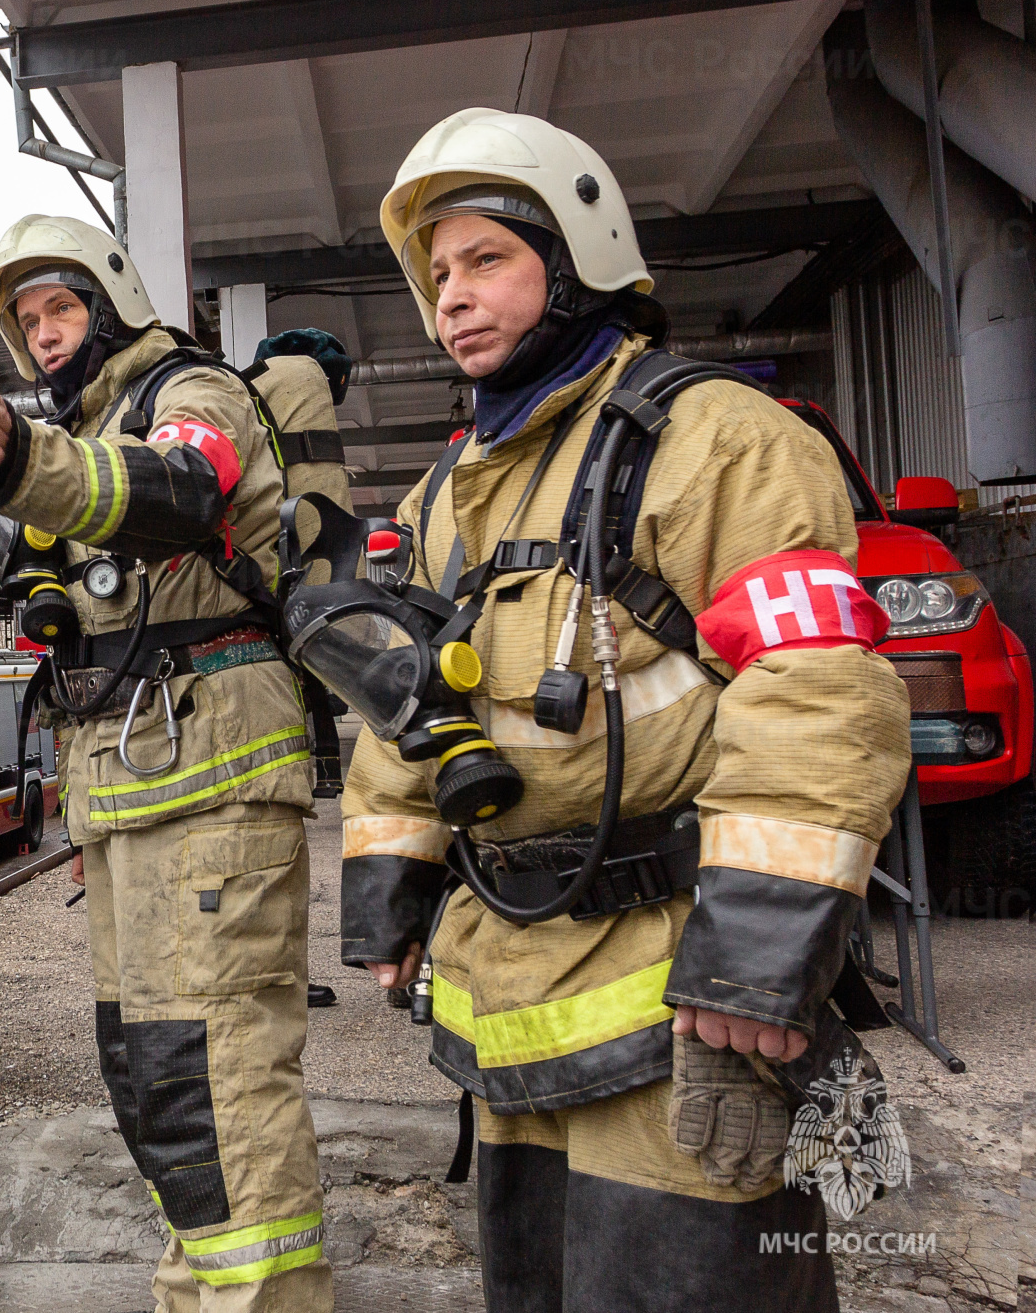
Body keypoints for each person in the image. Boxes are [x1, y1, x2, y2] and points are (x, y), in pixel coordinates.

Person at [338, 108, 912, 1310]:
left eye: (485, 257)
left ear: (577, 252)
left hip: (682, 1006)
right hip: (512, 1001)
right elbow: (410, 702)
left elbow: (814, 695)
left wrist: (755, 968)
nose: (450, 294)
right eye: (436, 271)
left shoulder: (713, 441)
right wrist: (387, 894)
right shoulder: (448, 491)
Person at [0, 216, 330, 1313]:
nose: (43, 337)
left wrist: (28, 464)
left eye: (60, 309)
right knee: (156, 1077)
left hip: (212, 772)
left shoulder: (190, 389)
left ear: (111, 300)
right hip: (136, 786)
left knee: (220, 1080)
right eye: (27, 323)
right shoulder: (92, 424)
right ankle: (200, 1291)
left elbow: (181, 486)